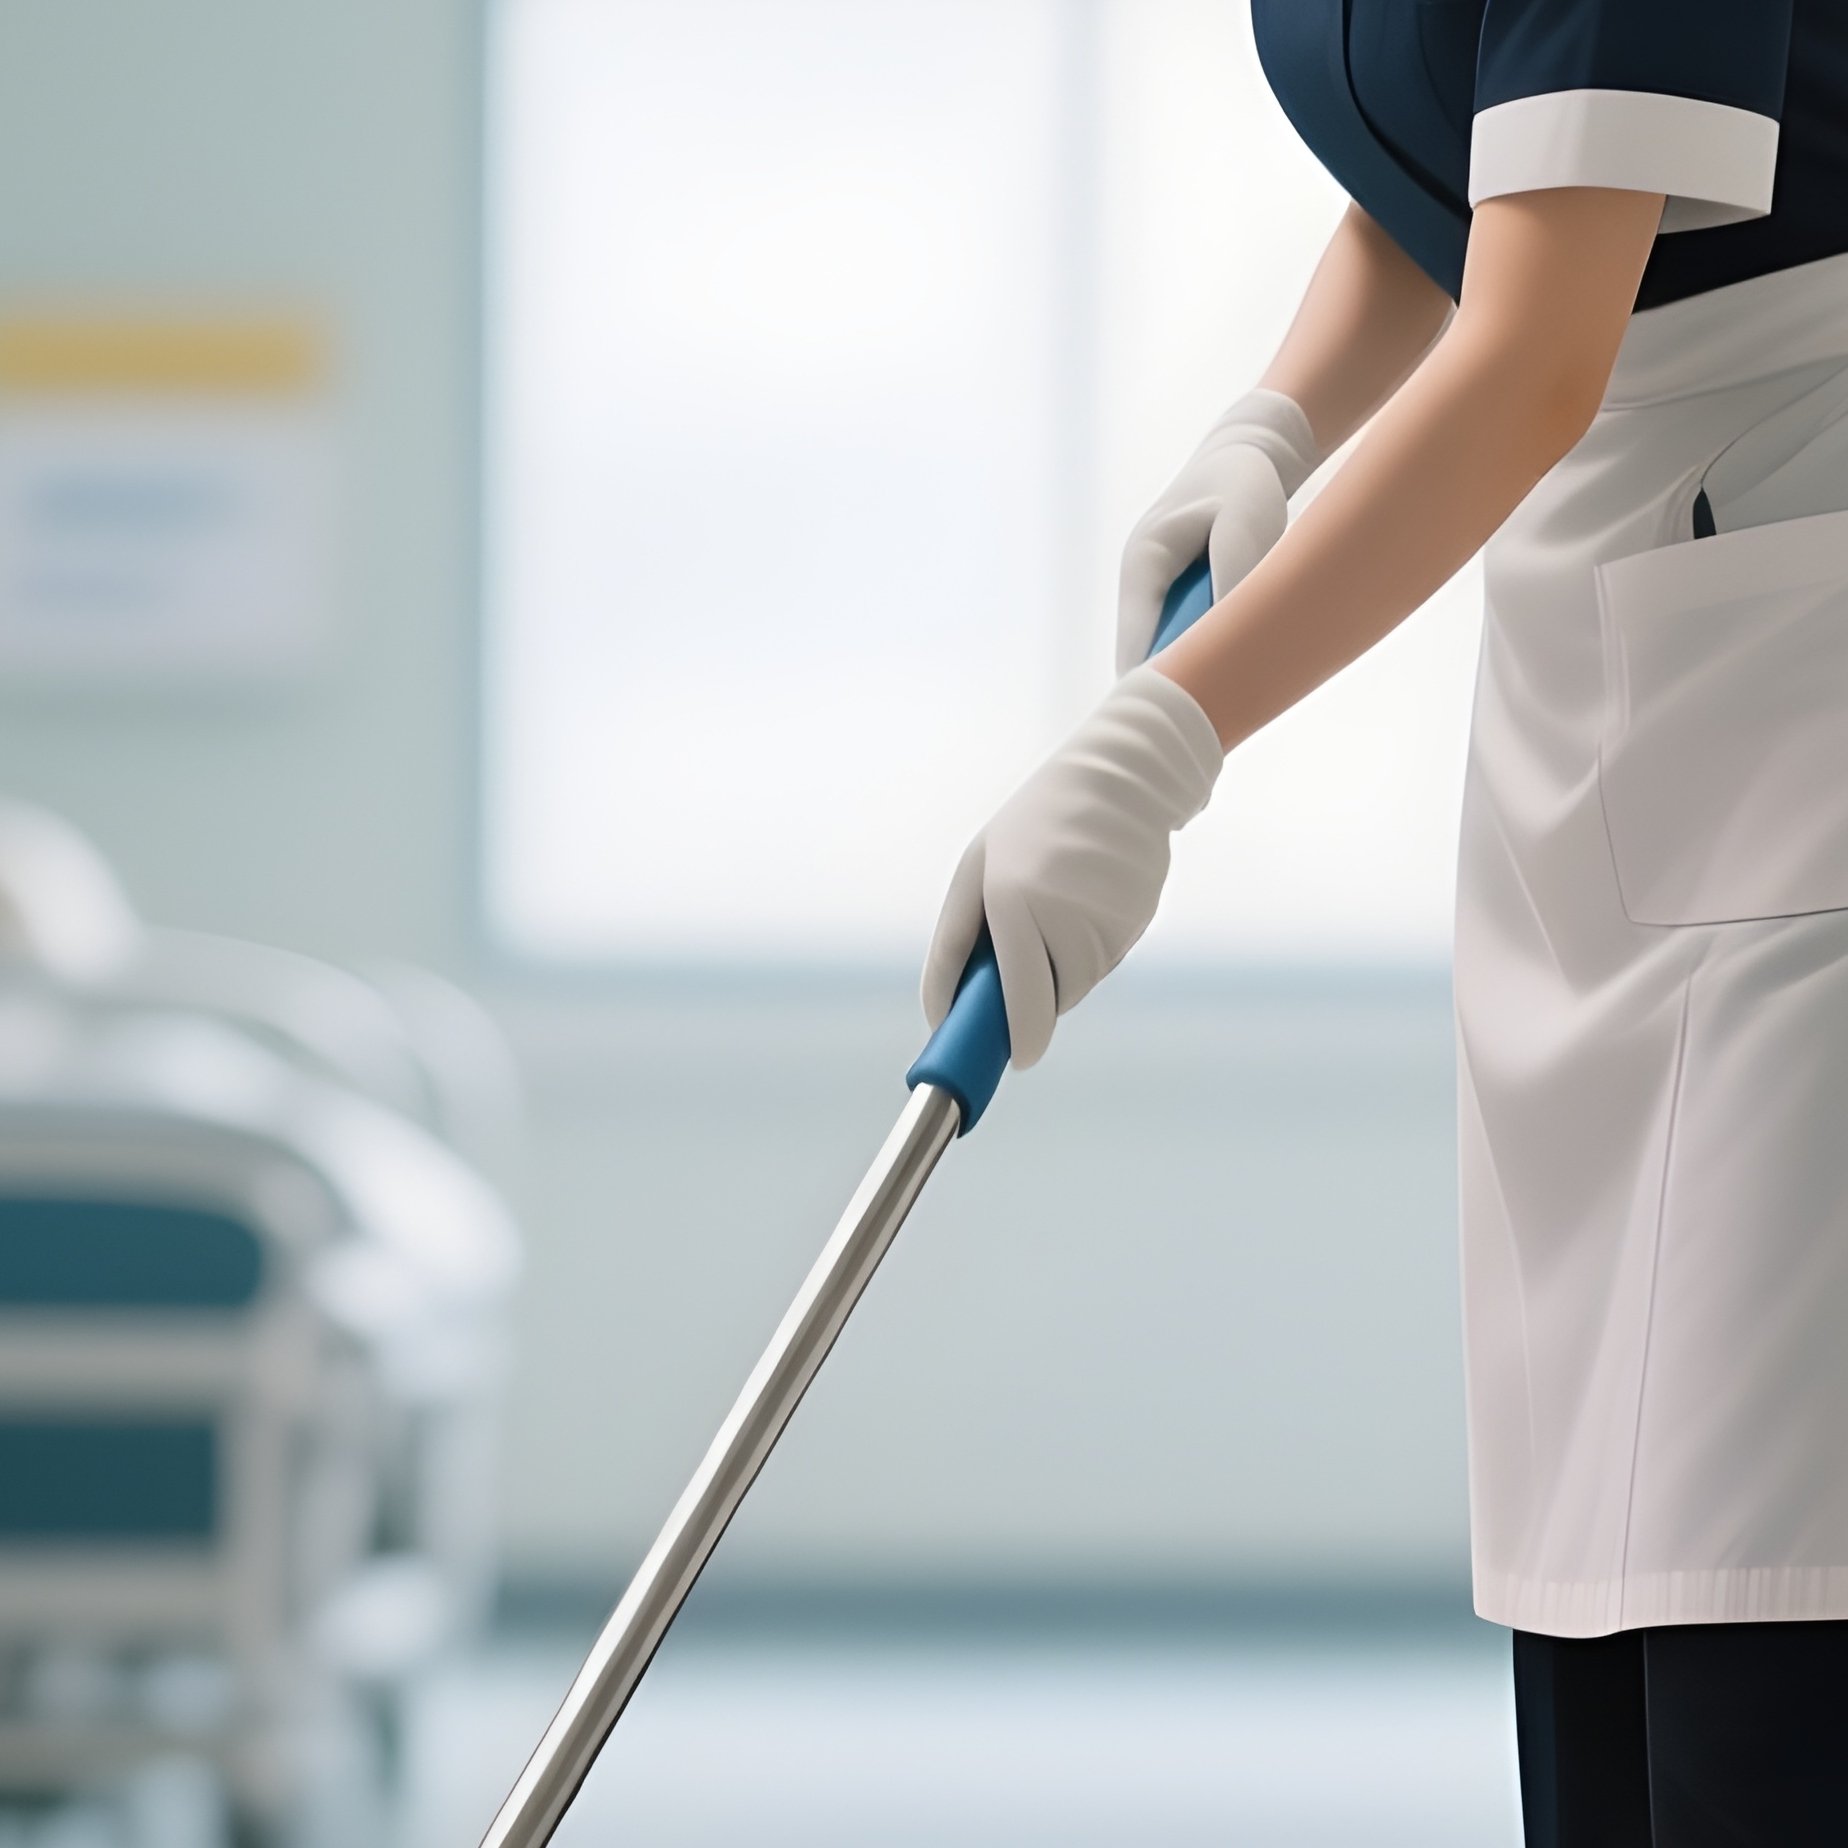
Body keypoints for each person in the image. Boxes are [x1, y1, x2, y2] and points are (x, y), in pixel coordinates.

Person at [920, 3, 1848, 1842]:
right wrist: (1277, 416)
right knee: (1606, 1603)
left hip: (1793, 652)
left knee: (1764, 1587)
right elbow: (1473, 178)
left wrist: (1164, 744)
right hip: (1625, 659)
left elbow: (1531, 352)